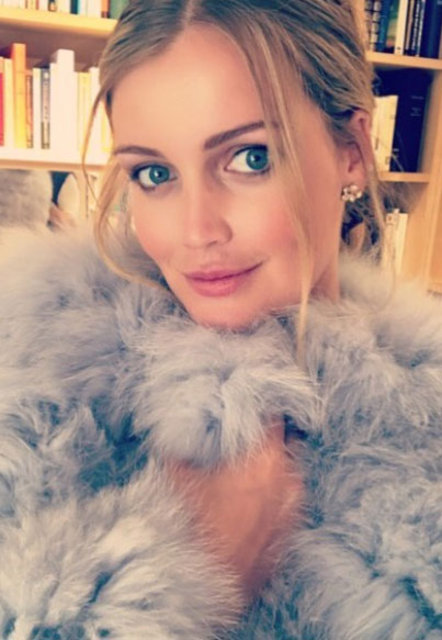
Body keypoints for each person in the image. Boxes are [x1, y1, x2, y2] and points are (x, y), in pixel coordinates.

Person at [0, 1, 441, 638]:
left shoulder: (423, 421)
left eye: (250, 158)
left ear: (352, 148)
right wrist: (187, 566)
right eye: (154, 174)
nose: (196, 230)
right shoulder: (36, 378)